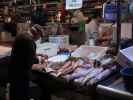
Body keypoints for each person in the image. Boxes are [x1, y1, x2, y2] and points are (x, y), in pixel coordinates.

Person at [9, 33, 37, 100]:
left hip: (13, 73)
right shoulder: (29, 42)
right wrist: (43, 65)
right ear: (37, 34)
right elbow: (29, 63)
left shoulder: (21, 37)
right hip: (23, 76)